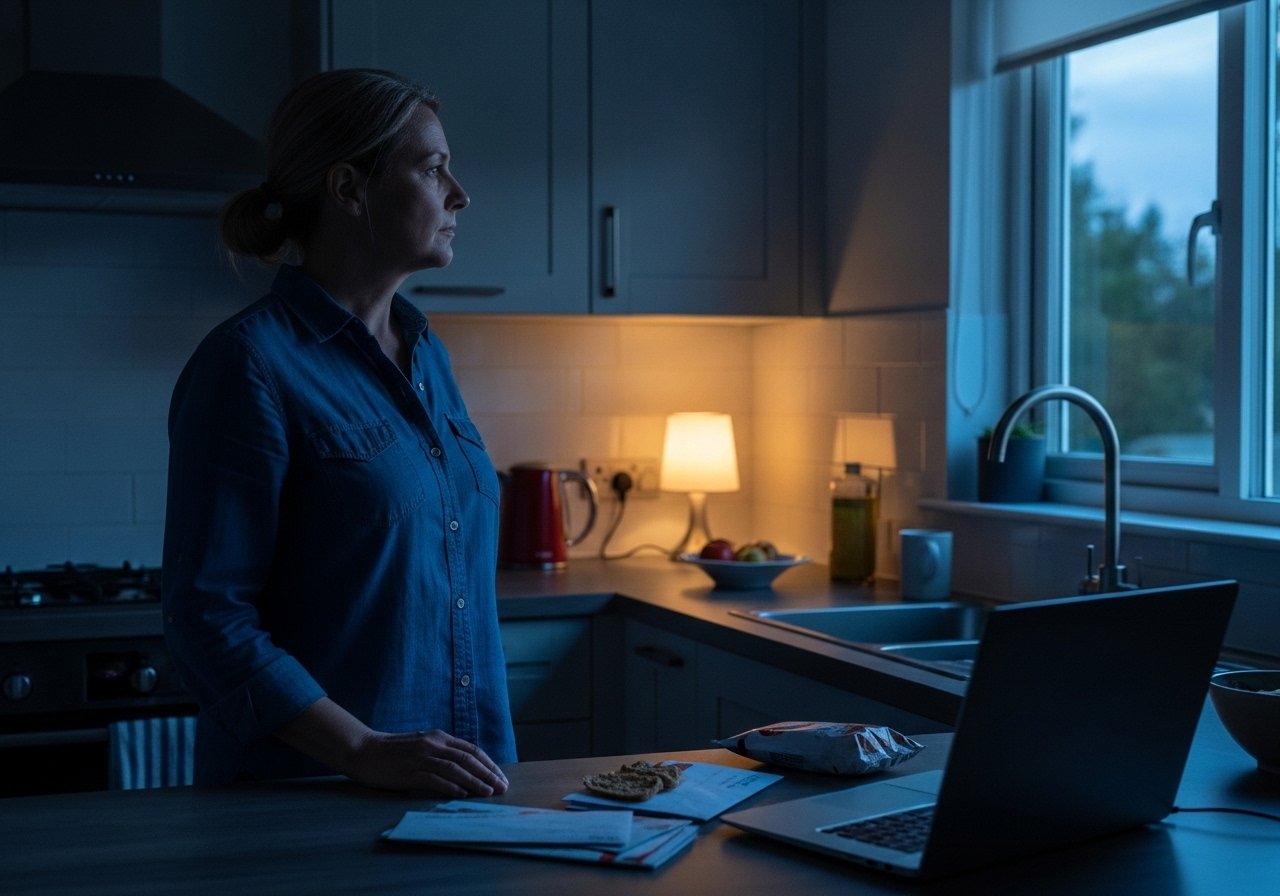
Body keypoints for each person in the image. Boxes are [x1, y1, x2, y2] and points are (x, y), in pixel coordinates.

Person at [161, 69, 513, 797]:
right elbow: (207, 618)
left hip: (462, 789)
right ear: (350, 189)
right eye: (432, 168)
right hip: (312, 798)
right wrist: (362, 749)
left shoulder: (427, 354)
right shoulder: (249, 363)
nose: (460, 195)